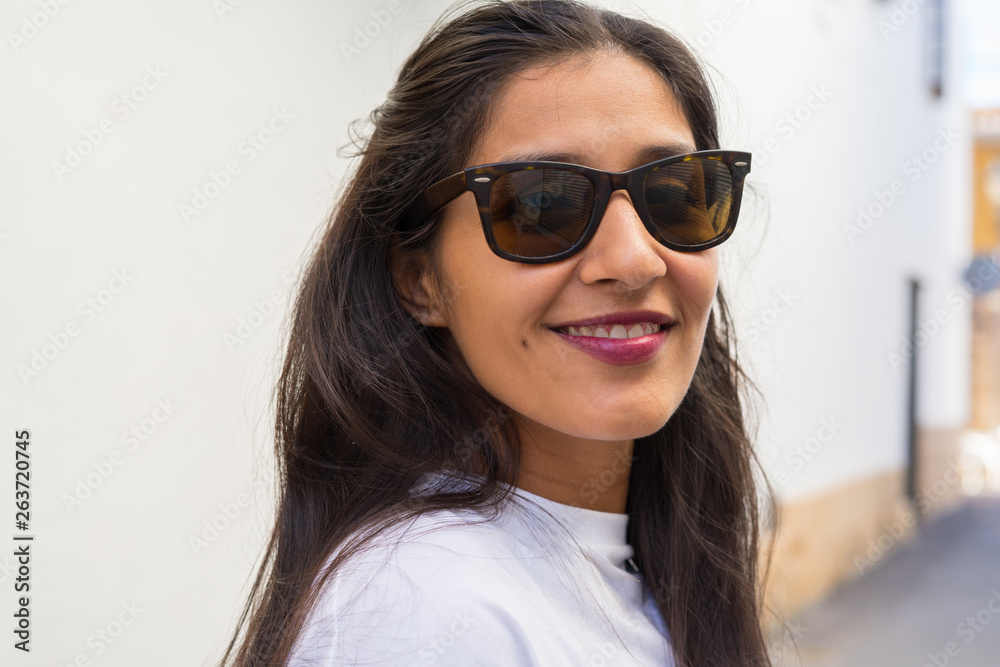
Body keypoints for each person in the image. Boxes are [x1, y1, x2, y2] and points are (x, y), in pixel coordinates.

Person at [219, 1, 779, 665]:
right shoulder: (424, 606)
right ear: (418, 278)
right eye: (541, 203)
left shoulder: (639, 567)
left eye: (676, 193)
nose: (635, 259)